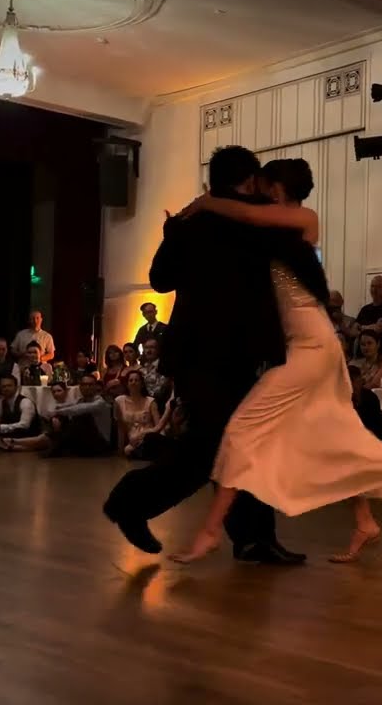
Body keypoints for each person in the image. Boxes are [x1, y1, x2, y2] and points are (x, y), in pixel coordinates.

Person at [168, 158, 382, 565]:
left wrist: (206, 203)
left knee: (242, 430)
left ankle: (209, 533)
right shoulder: (268, 227)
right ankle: (364, 519)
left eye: (266, 184)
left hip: (312, 346)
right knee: (332, 435)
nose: (260, 189)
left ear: (277, 187)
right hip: (307, 346)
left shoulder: (301, 218)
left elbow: (245, 213)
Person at [101, 146, 306, 565]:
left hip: (196, 354)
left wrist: (175, 231)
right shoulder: (255, 222)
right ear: (249, 181)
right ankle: (132, 503)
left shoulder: (192, 222)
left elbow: (160, 279)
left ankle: (252, 537)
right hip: (236, 355)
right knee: (211, 450)